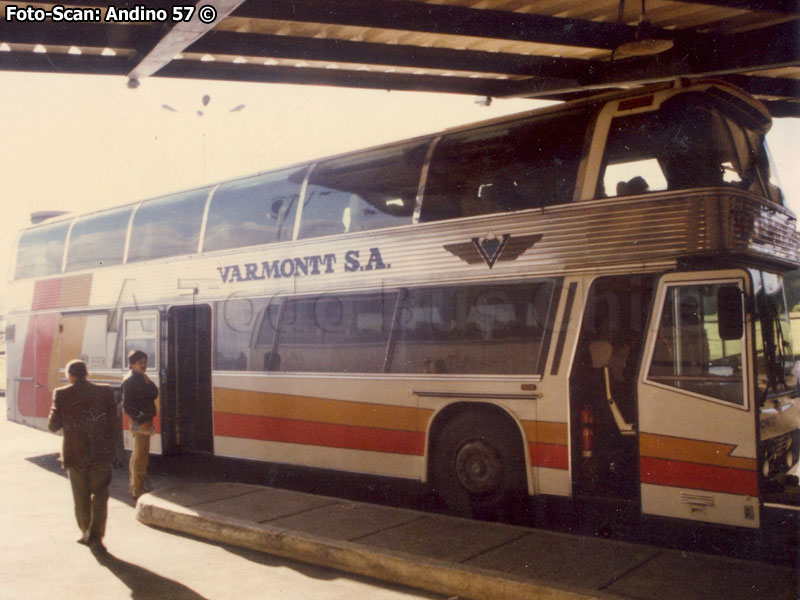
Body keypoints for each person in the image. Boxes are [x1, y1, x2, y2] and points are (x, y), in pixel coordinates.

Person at [48, 359, 117, 555]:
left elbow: (53, 426)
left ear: (70, 375)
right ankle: (97, 536)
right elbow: (114, 423)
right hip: (101, 452)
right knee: (101, 494)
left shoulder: (61, 394)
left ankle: (86, 532)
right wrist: (112, 449)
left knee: (80, 495)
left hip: (75, 453)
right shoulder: (104, 391)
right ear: (86, 374)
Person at [122, 350, 159, 500]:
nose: (144, 365)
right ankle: (138, 489)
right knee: (141, 455)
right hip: (140, 421)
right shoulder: (130, 380)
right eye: (140, 362)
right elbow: (128, 406)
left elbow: (154, 393)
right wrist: (142, 421)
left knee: (139, 453)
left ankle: (137, 486)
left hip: (144, 420)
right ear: (132, 364)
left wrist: (148, 382)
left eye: (145, 362)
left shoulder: (140, 378)